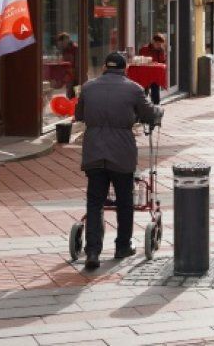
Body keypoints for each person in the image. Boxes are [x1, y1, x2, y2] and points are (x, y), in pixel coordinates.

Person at [73, 52, 158, 269]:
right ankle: (122, 246)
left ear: (104, 67)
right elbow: (149, 113)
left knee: (95, 202)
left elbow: (79, 115)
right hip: (121, 153)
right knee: (124, 201)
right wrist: (156, 112)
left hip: (94, 151)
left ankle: (93, 251)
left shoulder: (88, 87)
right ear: (125, 68)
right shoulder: (134, 89)